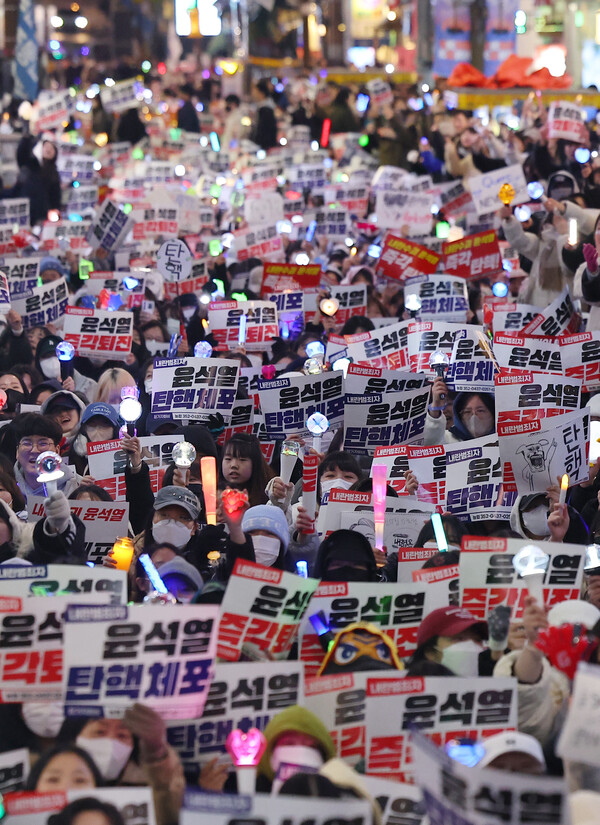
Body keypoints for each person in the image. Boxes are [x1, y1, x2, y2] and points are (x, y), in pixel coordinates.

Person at [251, 79, 277, 150]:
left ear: (261, 93)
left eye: (255, 91)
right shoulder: (262, 107)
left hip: (264, 148)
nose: (253, 94)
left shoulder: (266, 109)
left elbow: (265, 131)